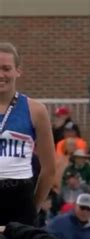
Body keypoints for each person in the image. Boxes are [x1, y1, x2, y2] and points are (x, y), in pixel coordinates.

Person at [0, 42, 55, 225]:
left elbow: (49, 169)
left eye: (6, 68)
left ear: (18, 71)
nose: (1, 75)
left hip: (20, 199)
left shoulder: (36, 110)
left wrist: (34, 207)